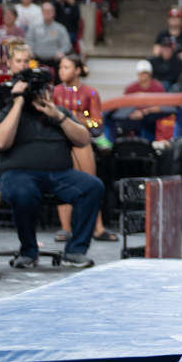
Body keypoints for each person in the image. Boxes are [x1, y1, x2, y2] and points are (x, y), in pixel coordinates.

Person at [0, 41, 104, 268]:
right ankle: (28, 250)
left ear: (50, 90)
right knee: (23, 191)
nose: (38, 92)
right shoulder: (10, 111)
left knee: (93, 186)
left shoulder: (59, 112)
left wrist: (58, 116)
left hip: (59, 174)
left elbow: (83, 139)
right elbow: (1, 142)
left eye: (42, 88)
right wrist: (18, 102)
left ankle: (75, 251)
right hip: (18, 173)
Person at [51, 57, 115, 244]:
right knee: (62, 183)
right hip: (60, 141)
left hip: (81, 140)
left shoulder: (90, 92)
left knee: (91, 183)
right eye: (60, 67)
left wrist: (72, 118)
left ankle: (98, 227)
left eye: (66, 67)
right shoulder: (54, 92)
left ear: (77, 70)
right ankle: (65, 227)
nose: (61, 70)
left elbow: (97, 123)